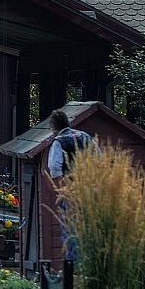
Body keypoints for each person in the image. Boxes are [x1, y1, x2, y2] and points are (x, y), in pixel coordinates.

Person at [47, 108, 96, 262]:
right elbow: (99, 161)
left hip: (71, 193)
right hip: (90, 192)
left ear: (54, 127)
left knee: (71, 232)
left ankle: (73, 269)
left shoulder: (59, 141)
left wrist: (62, 190)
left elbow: (54, 168)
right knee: (90, 230)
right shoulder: (86, 137)